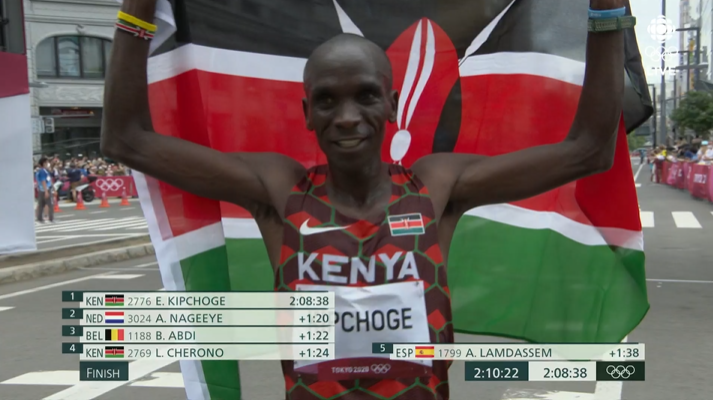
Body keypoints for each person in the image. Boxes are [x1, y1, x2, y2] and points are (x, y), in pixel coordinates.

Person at [102, 0, 629, 398]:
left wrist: (607, 11)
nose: (347, 117)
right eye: (327, 101)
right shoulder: (279, 192)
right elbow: (125, 139)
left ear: (392, 104)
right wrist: (137, 9)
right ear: (306, 113)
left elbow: (589, 150)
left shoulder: (435, 188)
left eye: (366, 95)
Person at [34, 157, 54, 224]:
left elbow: (48, 180)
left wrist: (53, 188)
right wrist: (46, 191)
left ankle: (40, 218)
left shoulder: (44, 171)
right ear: (44, 163)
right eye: (47, 162)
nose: (48, 164)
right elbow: (43, 181)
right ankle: (51, 219)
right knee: (50, 204)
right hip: (45, 189)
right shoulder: (42, 171)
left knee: (41, 205)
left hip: (42, 189)